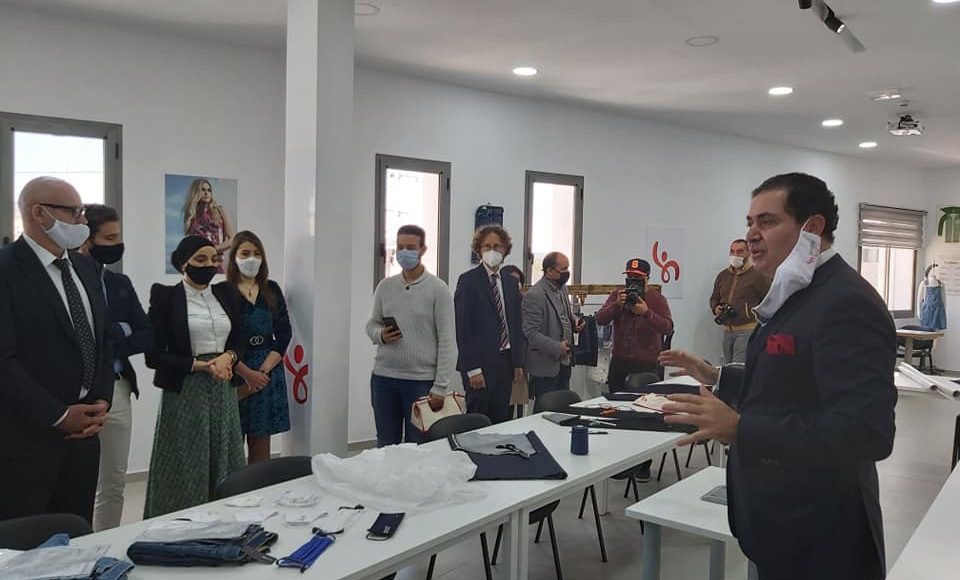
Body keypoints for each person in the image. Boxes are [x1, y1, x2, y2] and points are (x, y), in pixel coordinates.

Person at [658, 173, 896, 580]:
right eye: (749, 222)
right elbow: (793, 381)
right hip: (782, 524)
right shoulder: (797, 292)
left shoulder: (846, 302)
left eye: (767, 222)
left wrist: (741, 430)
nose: (751, 235)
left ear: (812, 228)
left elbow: (866, 432)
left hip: (822, 535)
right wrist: (717, 377)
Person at [0, 177, 114, 523]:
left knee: (75, 533)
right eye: (75, 212)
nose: (84, 221)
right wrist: (60, 416)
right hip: (26, 440)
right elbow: (4, 360)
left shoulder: (85, 267)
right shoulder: (6, 270)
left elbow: (103, 339)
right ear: (39, 213)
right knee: (25, 541)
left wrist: (101, 402)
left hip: (85, 437)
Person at [143, 235, 246, 518]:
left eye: (214, 259)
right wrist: (200, 366)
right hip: (186, 389)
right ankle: (181, 522)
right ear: (183, 264)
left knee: (226, 456)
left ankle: (226, 520)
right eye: (200, 259)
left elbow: (241, 341)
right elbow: (153, 355)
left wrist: (228, 357)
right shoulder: (166, 297)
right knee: (187, 460)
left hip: (223, 386)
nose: (208, 265)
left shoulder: (226, 293)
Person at [79, 204, 152, 531]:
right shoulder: (70, 282)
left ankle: (105, 542)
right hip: (79, 391)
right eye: (109, 238)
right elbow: (81, 336)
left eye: (118, 237)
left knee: (114, 480)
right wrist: (121, 330)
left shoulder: (119, 282)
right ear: (87, 240)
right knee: (77, 480)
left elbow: (147, 334)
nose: (117, 244)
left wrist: (110, 339)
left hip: (119, 385)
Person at [364, 225, 455, 445]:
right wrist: (381, 335)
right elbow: (371, 324)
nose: (404, 252)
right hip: (384, 378)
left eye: (411, 247)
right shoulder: (385, 286)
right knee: (386, 443)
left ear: (423, 249)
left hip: (421, 382)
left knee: (419, 446)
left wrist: (440, 386)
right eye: (400, 247)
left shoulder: (438, 289)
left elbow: (447, 341)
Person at [226, 231, 292, 464]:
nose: (251, 259)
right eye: (245, 253)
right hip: (235, 370)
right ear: (234, 257)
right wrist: (246, 375)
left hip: (267, 369)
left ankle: (259, 486)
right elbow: (221, 339)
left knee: (261, 445)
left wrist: (262, 373)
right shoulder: (223, 291)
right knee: (231, 445)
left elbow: (283, 332)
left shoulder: (271, 289)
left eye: (257, 254)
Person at [454, 226, 525, 424]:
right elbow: (463, 328)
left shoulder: (510, 283)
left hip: (505, 363)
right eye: (487, 246)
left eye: (497, 246)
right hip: (479, 365)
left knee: (501, 418)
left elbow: (515, 324)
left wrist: (518, 362)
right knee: (478, 419)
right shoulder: (468, 281)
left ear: (505, 250)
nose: (492, 250)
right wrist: (473, 368)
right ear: (479, 250)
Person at [596, 258, 673, 389]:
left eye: (637, 278)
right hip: (619, 362)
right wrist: (616, 305)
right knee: (615, 398)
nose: (633, 280)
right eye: (629, 277)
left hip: (647, 363)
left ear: (647, 279)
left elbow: (667, 328)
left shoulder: (657, 299)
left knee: (645, 399)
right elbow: (600, 319)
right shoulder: (618, 295)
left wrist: (647, 313)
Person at [522, 252, 585, 398]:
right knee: (545, 407)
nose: (567, 272)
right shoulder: (535, 295)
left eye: (568, 268)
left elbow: (564, 314)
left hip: (564, 363)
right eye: (563, 269)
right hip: (545, 366)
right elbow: (530, 333)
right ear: (549, 271)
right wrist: (556, 347)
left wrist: (575, 322)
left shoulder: (562, 288)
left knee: (562, 405)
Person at [709, 239, 771, 364]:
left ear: (748, 253)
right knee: (727, 366)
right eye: (732, 251)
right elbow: (714, 298)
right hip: (727, 330)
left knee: (738, 367)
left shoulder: (758, 274)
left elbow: (769, 299)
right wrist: (715, 308)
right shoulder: (723, 275)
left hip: (748, 329)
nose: (735, 255)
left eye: (740, 251)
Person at [182, 178, 234, 261]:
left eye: (209, 190)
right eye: (203, 190)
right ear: (196, 192)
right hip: (198, 260)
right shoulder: (191, 215)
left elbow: (232, 239)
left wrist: (213, 249)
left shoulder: (219, 211)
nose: (206, 193)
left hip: (216, 260)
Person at [501, 265, 529, 418]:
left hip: (518, 363)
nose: (515, 284)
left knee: (515, 407)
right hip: (498, 364)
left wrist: (519, 362)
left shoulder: (523, 302)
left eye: (518, 281)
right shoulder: (497, 302)